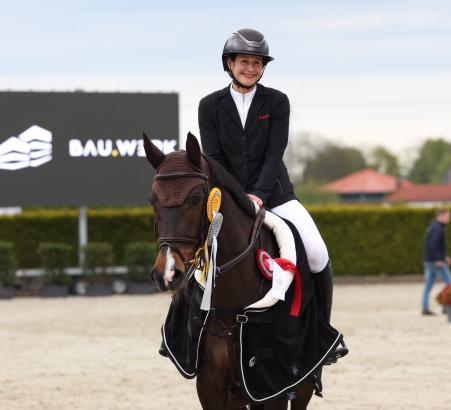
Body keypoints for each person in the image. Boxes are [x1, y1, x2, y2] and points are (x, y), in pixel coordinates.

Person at [198, 28, 333, 323]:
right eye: (244, 61)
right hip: (228, 198)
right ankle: (188, 333)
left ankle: (323, 332)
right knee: (194, 255)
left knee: (316, 252)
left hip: (276, 193)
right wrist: (239, 197)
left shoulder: (277, 102)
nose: (250, 68)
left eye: (257, 63)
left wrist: (258, 194)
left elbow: (275, 154)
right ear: (229, 63)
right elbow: (215, 159)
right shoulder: (209, 105)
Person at [422, 208, 451, 315]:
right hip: (435, 261)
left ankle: (425, 308)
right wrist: (438, 259)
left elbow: (432, 245)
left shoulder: (432, 227)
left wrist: (444, 256)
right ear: (442, 216)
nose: (449, 218)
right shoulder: (438, 228)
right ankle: (446, 307)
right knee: (449, 283)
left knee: (428, 286)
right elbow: (433, 245)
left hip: (428, 260)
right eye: (448, 216)